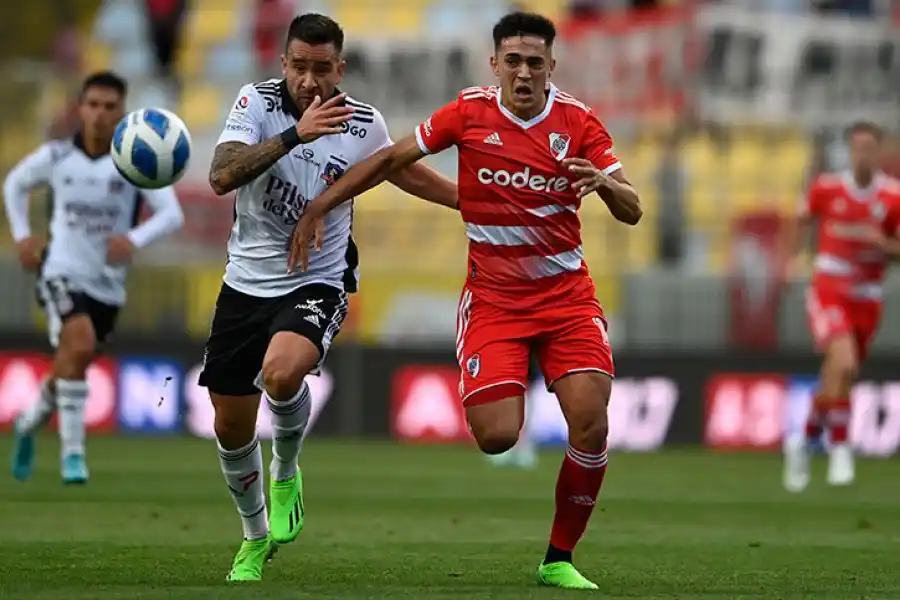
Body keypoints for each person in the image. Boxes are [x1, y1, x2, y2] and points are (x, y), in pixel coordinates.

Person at [290, 11, 641, 590]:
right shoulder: (468, 113)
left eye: (535, 63)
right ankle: (487, 378)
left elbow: (633, 210)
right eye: (513, 61)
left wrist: (605, 184)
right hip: (495, 301)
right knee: (497, 435)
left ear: (552, 66)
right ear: (494, 64)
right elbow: (391, 160)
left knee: (591, 423)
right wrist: (320, 205)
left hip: (566, 299)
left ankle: (559, 557)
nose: (524, 73)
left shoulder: (578, 123)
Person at [201, 13, 457, 582]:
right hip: (246, 281)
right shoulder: (256, 104)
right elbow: (221, 176)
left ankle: (286, 467)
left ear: (339, 69)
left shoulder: (363, 123)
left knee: (282, 371)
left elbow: (397, 171)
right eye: (299, 67)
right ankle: (254, 537)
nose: (309, 80)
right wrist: (296, 134)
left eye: (321, 68)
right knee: (230, 427)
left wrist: (467, 200)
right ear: (283, 63)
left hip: (317, 276)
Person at [4, 71, 184, 484]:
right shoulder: (56, 157)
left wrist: (133, 239)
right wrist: (23, 236)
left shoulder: (134, 163)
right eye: (93, 105)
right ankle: (73, 456)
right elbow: (14, 185)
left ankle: (29, 422)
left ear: (122, 113)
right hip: (60, 271)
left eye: (109, 106)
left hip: (108, 284)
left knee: (73, 359)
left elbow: (172, 213)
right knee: (80, 343)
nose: (100, 114)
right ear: (80, 109)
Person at [780, 121, 900, 492]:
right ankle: (841, 447)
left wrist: (883, 245)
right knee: (844, 362)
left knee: (839, 374)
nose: (862, 155)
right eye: (857, 148)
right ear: (849, 151)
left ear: (879, 153)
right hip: (829, 287)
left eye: (869, 148)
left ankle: (803, 440)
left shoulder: (892, 197)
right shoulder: (827, 188)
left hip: (867, 295)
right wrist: (791, 260)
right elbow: (801, 221)